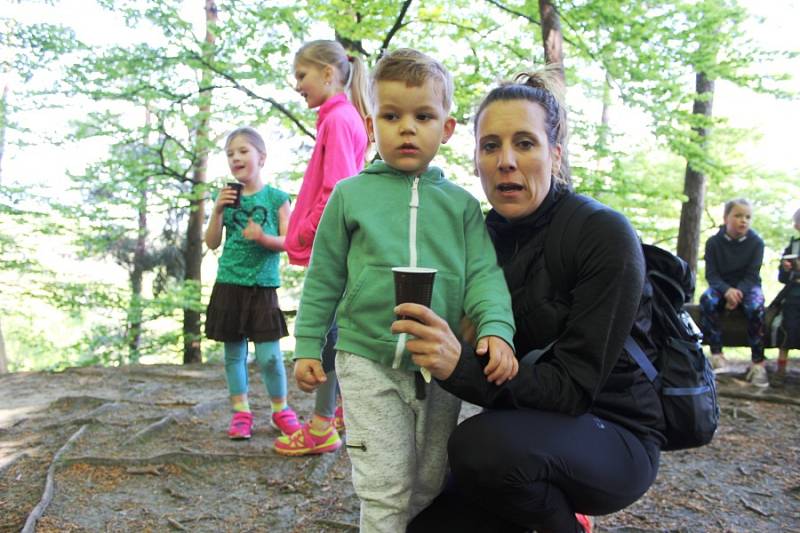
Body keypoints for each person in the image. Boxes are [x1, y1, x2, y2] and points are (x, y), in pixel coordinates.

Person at [401, 70, 664, 533]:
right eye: (490, 146)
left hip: (614, 434)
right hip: (520, 432)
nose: (506, 161)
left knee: (477, 447)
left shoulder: (603, 234)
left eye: (525, 143)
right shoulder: (475, 240)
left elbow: (572, 388)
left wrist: (457, 364)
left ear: (554, 155)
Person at [292, 49, 517, 532]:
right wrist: (309, 344)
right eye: (392, 116)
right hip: (367, 361)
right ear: (372, 126)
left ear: (448, 128)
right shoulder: (351, 196)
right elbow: (324, 277)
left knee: (430, 483)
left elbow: (483, 276)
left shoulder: (459, 207)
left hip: (442, 370)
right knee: (385, 487)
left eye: (423, 116)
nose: (407, 128)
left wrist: (497, 329)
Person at [275, 39, 370, 456]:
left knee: (330, 330)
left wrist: (303, 231)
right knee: (339, 326)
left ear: (328, 74)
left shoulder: (337, 120)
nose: (297, 85)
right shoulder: (342, 118)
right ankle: (340, 411)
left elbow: (337, 189)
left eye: (302, 75)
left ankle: (320, 426)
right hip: (339, 244)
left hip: (333, 246)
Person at [204, 127, 300, 440]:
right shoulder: (227, 197)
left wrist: (263, 237)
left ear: (261, 157)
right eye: (230, 153)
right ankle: (241, 413)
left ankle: (280, 410)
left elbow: (290, 241)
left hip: (263, 285)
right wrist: (217, 210)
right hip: (229, 282)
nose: (236, 158)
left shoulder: (276, 198)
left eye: (243, 151)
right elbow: (212, 242)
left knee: (270, 355)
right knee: (234, 354)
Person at [700, 198, 767, 386]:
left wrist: (737, 293)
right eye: (738, 216)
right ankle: (717, 355)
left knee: (755, 306)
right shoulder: (713, 243)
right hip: (722, 286)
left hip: (748, 286)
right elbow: (712, 275)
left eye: (747, 217)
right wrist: (727, 290)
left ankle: (758, 363)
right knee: (707, 300)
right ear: (725, 218)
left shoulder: (756, 243)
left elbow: (753, 274)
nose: (743, 220)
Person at [775, 207, 800, 385]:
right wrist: (786, 269)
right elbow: (782, 278)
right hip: (793, 295)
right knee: (787, 329)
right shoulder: (793, 246)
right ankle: (781, 370)